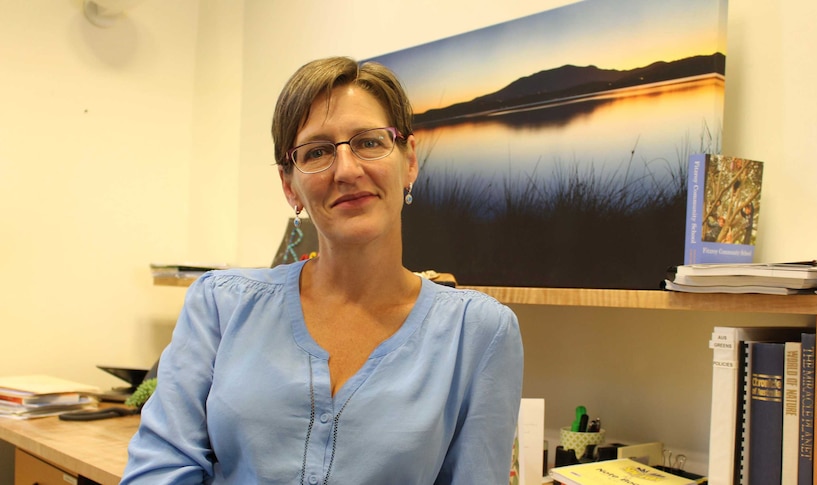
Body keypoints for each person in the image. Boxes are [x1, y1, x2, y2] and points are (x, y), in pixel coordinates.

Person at [120, 56, 524, 484]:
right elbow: (160, 469)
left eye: (369, 142)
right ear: (289, 185)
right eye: (317, 152)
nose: (347, 170)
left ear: (409, 162)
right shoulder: (221, 304)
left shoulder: (479, 332)